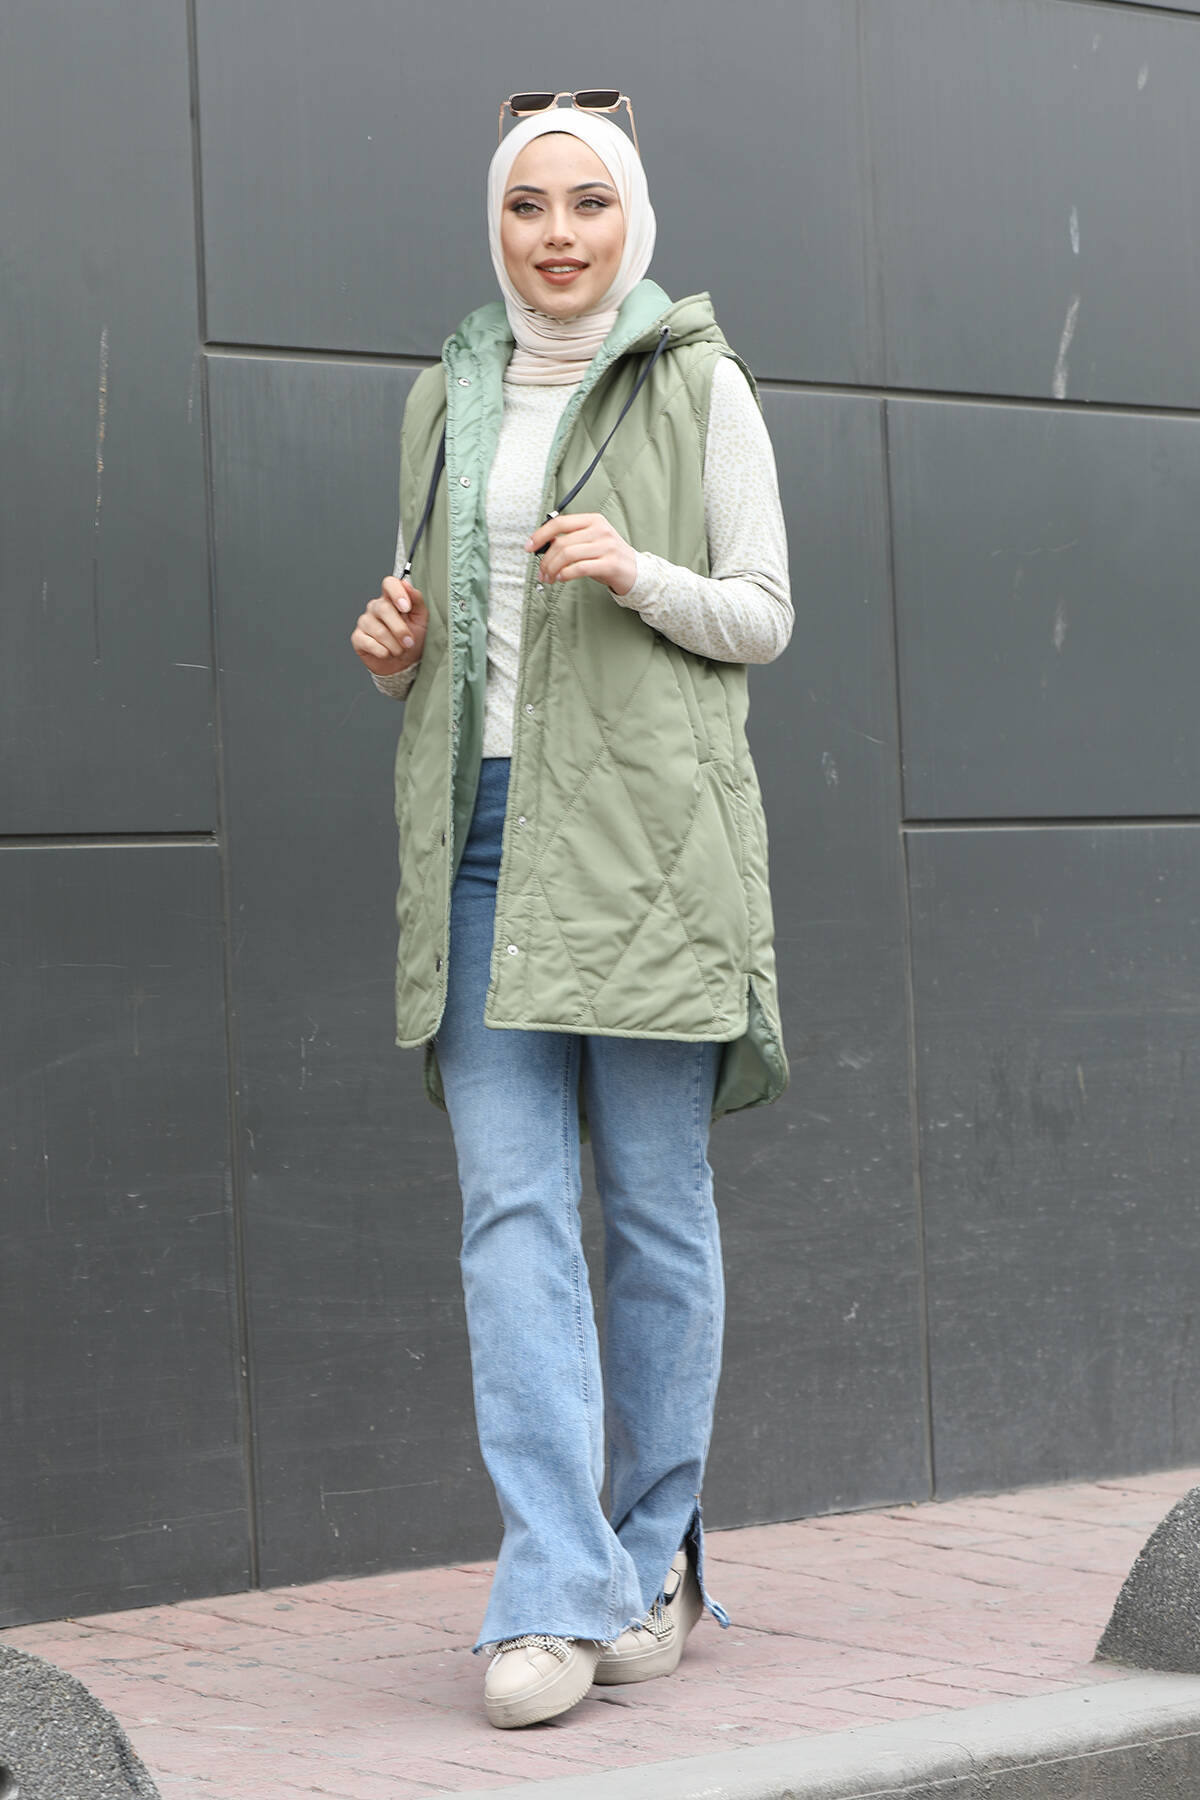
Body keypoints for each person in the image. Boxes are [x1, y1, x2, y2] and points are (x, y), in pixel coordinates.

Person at [350, 93, 792, 1731]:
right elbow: (442, 626)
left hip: (649, 847)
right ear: (498, 222)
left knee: (657, 1215)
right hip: (480, 840)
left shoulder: (701, 382)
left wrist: (633, 571)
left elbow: (763, 611)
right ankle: (550, 1585)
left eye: (587, 204)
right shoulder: (443, 396)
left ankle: (651, 1553)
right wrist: (397, 649)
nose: (556, 234)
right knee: (510, 1217)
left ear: (633, 220)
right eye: (528, 204)